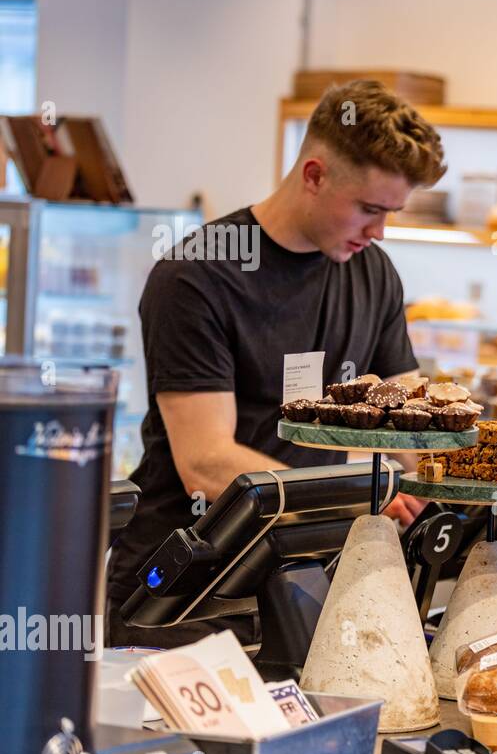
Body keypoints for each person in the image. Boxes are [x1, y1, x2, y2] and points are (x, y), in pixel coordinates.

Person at [107, 79, 446, 648]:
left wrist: (467, 482)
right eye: (367, 209)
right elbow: (208, 464)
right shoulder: (197, 277)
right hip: (188, 592)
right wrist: (359, 497)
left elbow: (408, 418)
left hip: (302, 579)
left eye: (390, 213)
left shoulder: (374, 273)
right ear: (313, 174)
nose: (379, 232)